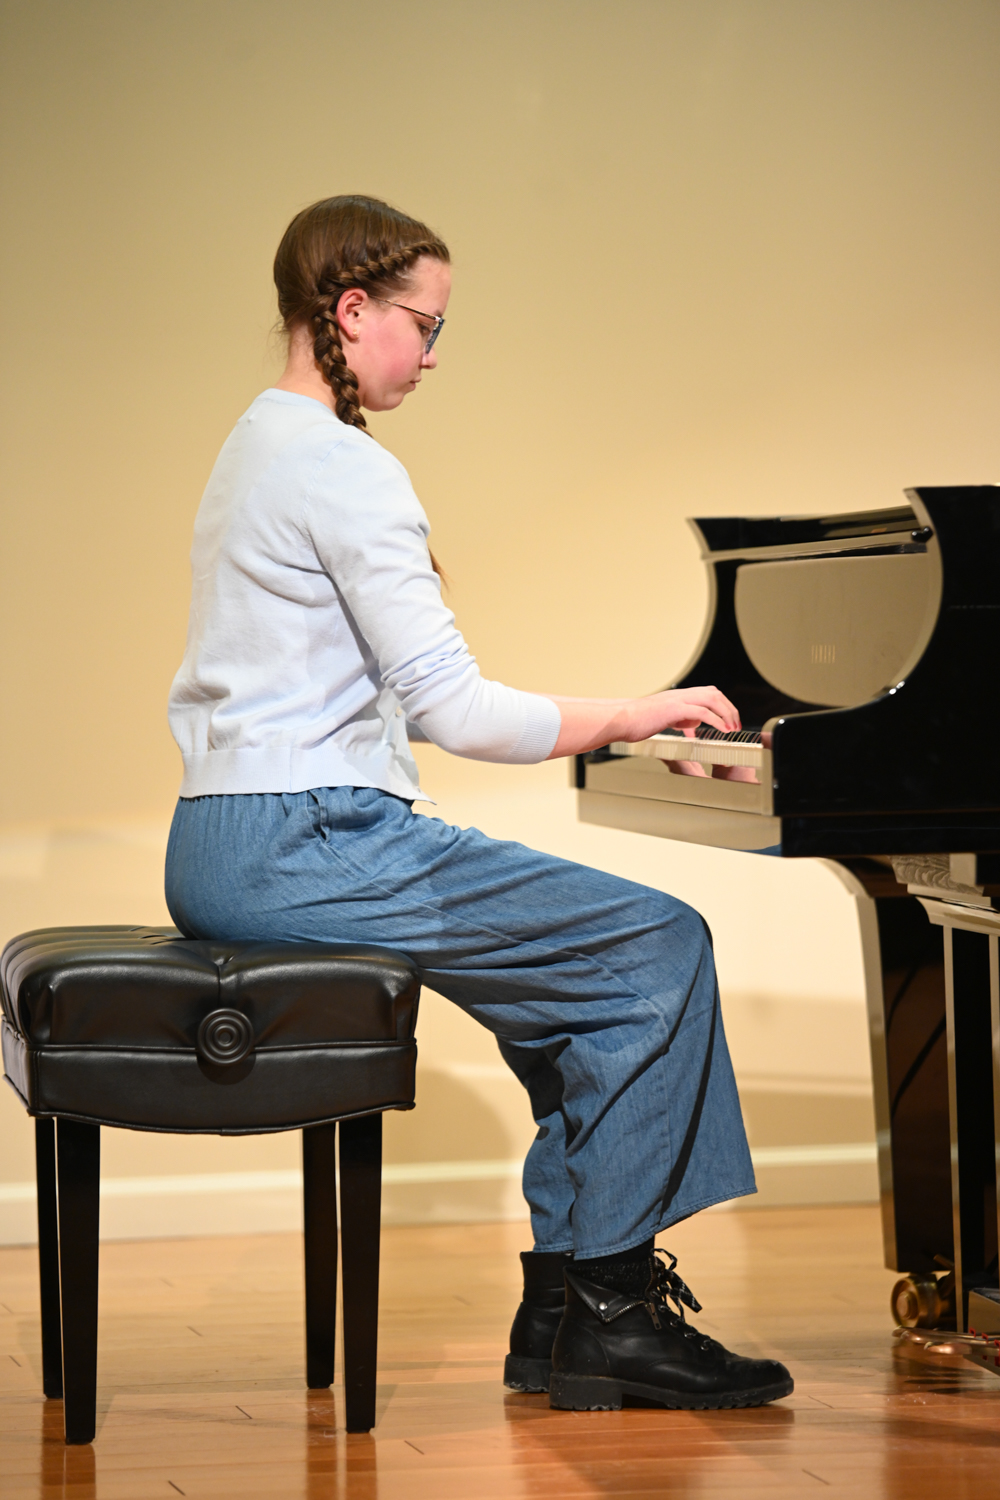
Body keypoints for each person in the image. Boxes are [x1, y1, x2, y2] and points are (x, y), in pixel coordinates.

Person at [165, 194, 793, 1412]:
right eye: (426, 324)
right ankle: (610, 1311)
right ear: (352, 310)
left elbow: (365, 699)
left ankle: (559, 1311)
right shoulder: (340, 466)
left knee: (571, 988)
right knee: (656, 947)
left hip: (223, 840)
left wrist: (614, 721)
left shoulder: (254, 443)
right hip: (309, 837)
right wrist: (632, 711)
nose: (434, 353)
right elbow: (455, 711)